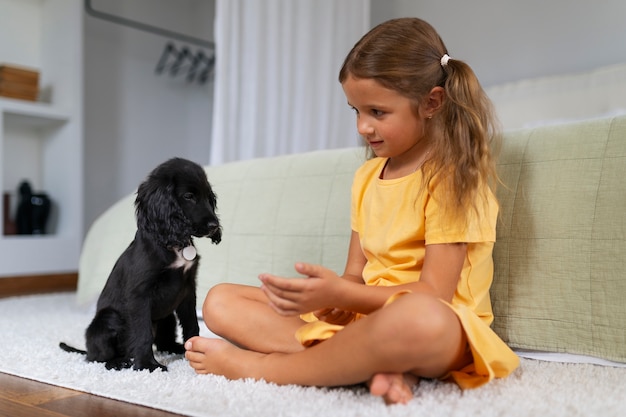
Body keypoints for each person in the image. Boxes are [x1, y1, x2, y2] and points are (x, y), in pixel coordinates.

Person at [185, 17, 519, 405]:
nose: (363, 126)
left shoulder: (453, 177)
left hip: (441, 327)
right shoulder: (366, 177)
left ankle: (260, 368)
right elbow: (355, 276)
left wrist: (345, 295)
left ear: (431, 102)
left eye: (377, 112)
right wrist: (331, 299)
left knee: (416, 320)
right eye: (355, 111)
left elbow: (434, 295)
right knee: (220, 300)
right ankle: (369, 363)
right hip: (367, 323)